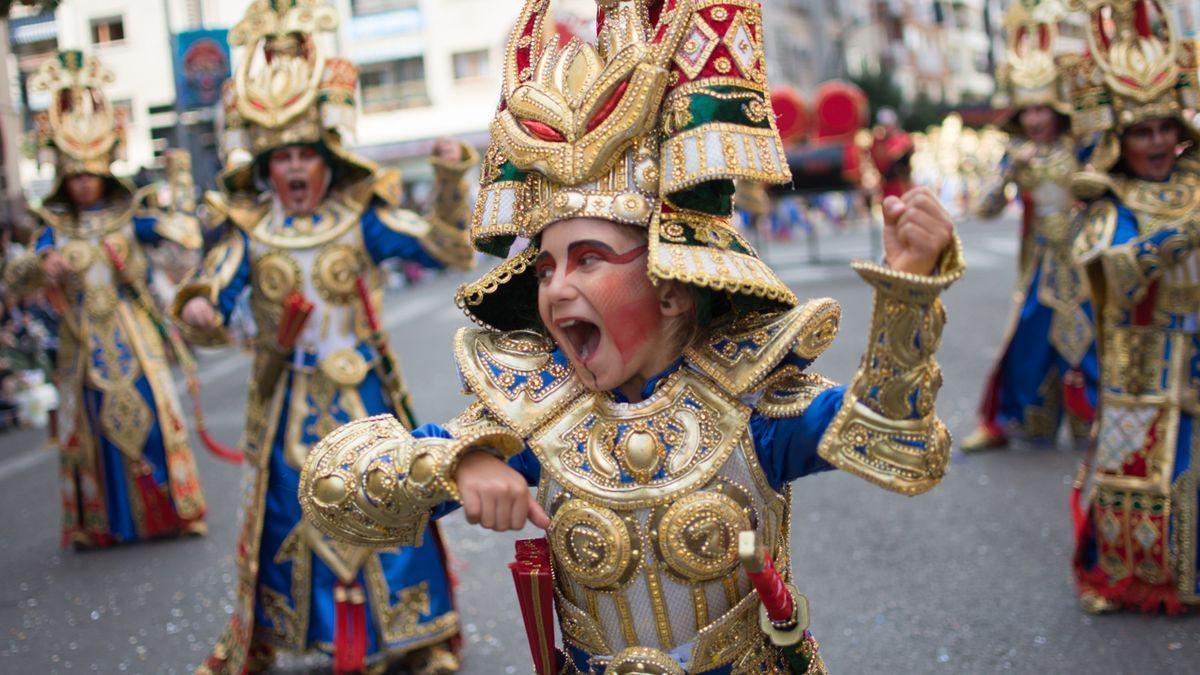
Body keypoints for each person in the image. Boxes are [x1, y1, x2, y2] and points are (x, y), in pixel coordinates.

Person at [298, 1, 963, 672]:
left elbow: (896, 445)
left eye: (588, 259)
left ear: (672, 284)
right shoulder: (536, 413)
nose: (555, 288)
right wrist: (457, 463)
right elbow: (332, 487)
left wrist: (906, 296)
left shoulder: (750, 404)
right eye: (547, 265)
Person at [174, 3, 476, 673]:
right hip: (289, 395)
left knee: (393, 488)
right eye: (282, 155)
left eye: (306, 152)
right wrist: (199, 312)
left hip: (363, 389)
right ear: (267, 165)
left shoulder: (355, 214)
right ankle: (291, 634)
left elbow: (448, 247)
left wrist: (453, 178)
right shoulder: (251, 229)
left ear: (326, 158)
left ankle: (416, 634)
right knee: (288, 506)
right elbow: (208, 289)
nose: (295, 167)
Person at [2, 50, 206, 549]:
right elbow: (18, 276)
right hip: (82, 343)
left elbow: (181, 235)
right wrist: (41, 267)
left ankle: (168, 511)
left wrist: (177, 197)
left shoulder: (126, 217)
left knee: (154, 418)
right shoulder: (53, 228)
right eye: (76, 176)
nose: (84, 183)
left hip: (132, 332)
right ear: (64, 180)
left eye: (91, 173)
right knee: (92, 433)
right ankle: (104, 522)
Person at [1066, 0, 1199, 614]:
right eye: (1142, 131)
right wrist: (1181, 236)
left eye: (1164, 128)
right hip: (1141, 362)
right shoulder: (1109, 201)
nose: (1156, 142)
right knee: (1135, 474)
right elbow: (1114, 274)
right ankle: (1127, 578)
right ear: (1122, 138)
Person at [962, 1, 1099, 451]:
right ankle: (1013, 418)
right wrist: (1004, 174)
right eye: (1029, 111)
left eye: (1043, 109)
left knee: (1091, 339)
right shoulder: (1015, 154)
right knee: (1028, 339)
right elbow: (983, 209)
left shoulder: (1080, 145)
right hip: (1040, 261)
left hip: (1084, 258)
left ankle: (1097, 417)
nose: (1037, 119)